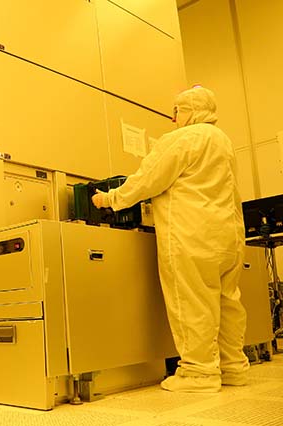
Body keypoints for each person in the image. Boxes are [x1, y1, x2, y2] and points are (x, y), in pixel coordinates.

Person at [92, 87, 249, 393]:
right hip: (228, 235)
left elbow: (147, 180)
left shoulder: (181, 139)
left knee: (192, 302)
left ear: (189, 110)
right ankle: (233, 367)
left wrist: (109, 199)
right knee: (227, 302)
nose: (174, 117)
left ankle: (199, 374)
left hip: (192, 235)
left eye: (177, 111)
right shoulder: (222, 140)